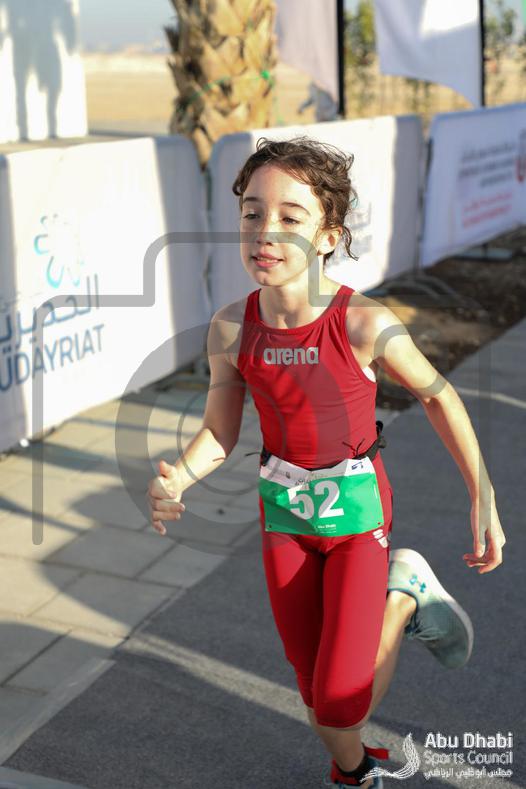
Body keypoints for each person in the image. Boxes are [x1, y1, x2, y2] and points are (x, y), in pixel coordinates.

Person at [146, 137, 506, 788]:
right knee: (315, 695)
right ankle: (355, 772)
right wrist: (180, 476)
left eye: (291, 216)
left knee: (341, 705)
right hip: (285, 518)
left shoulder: (363, 322)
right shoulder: (231, 327)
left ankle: (401, 595)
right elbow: (220, 432)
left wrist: (482, 493)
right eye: (252, 213)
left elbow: (439, 396)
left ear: (329, 236)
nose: (266, 231)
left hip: (357, 518)